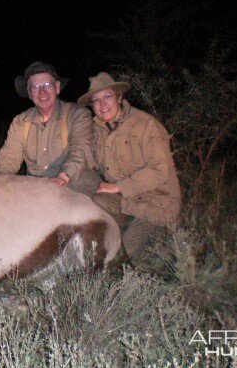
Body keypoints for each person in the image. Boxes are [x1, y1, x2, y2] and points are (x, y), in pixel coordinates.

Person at [77, 72, 181, 259]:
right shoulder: (98, 130)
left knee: (120, 258)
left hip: (154, 206)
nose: (102, 105)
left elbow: (159, 170)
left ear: (119, 96)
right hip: (126, 203)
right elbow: (83, 158)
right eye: (96, 100)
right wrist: (62, 176)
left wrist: (118, 186)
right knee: (95, 203)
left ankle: (159, 237)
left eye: (107, 96)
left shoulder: (146, 124)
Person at [0, 61, 99, 195]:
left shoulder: (78, 114)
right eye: (35, 87)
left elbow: (80, 149)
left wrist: (63, 176)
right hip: (38, 188)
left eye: (46, 85)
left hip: (74, 183)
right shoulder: (20, 121)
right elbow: (8, 159)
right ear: (29, 92)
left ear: (57, 87)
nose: (42, 91)